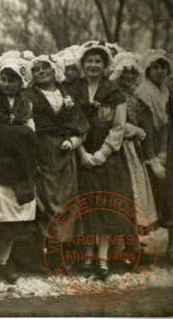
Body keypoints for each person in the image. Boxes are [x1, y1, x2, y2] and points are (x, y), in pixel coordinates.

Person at [71, 42, 133, 280]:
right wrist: (83, 154)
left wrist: (101, 154)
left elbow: (118, 128)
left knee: (106, 206)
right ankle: (87, 255)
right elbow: (71, 123)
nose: (93, 65)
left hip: (108, 159)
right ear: (83, 65)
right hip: (81, 154)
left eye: (98, 61)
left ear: (105, 65)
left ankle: (103, 259)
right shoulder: (74, 91)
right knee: (87, 206)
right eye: (90, 61)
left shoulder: (116, 93)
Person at [24, 55, 89, 270]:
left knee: (67, 200)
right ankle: (46, 254)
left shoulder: (67, 94)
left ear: (55, 71)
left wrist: (73, 140)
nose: (41, 72)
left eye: (45, 68)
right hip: (41, 150)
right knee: (46, 201)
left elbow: (81, 124)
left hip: (65, 152)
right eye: (37, 69)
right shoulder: (28, 95)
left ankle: (63, 252)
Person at [0, 58, 38, 284]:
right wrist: (17, 133)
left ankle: (4, 261)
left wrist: (15, 133)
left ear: (20, 82)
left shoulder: (26, 104)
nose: (5, 83)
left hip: (20, 164)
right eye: (3, 78)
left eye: (11, 79)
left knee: (14, 214)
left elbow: (32, 133)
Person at [110, 53, 159, 233]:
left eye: (133, 73)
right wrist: (135, 130)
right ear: (118, 74)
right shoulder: (114, 95)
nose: (129, 77)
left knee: (136, 189)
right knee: (126, 190)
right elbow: (113, 123)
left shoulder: (135, 98)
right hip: (120, 147)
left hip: (133, 149)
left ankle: (134, 241)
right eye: (125, 73)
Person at [136, 49, 169, 221]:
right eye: (154, 67)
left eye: (163, 67)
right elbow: (147, 128)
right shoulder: (143, 92)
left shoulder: (165, 92)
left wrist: (163, 152)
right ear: (148, 71)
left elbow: (165, 124)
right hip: (145, 147)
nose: (159, 71)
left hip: (161, 147)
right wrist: (154, 158)